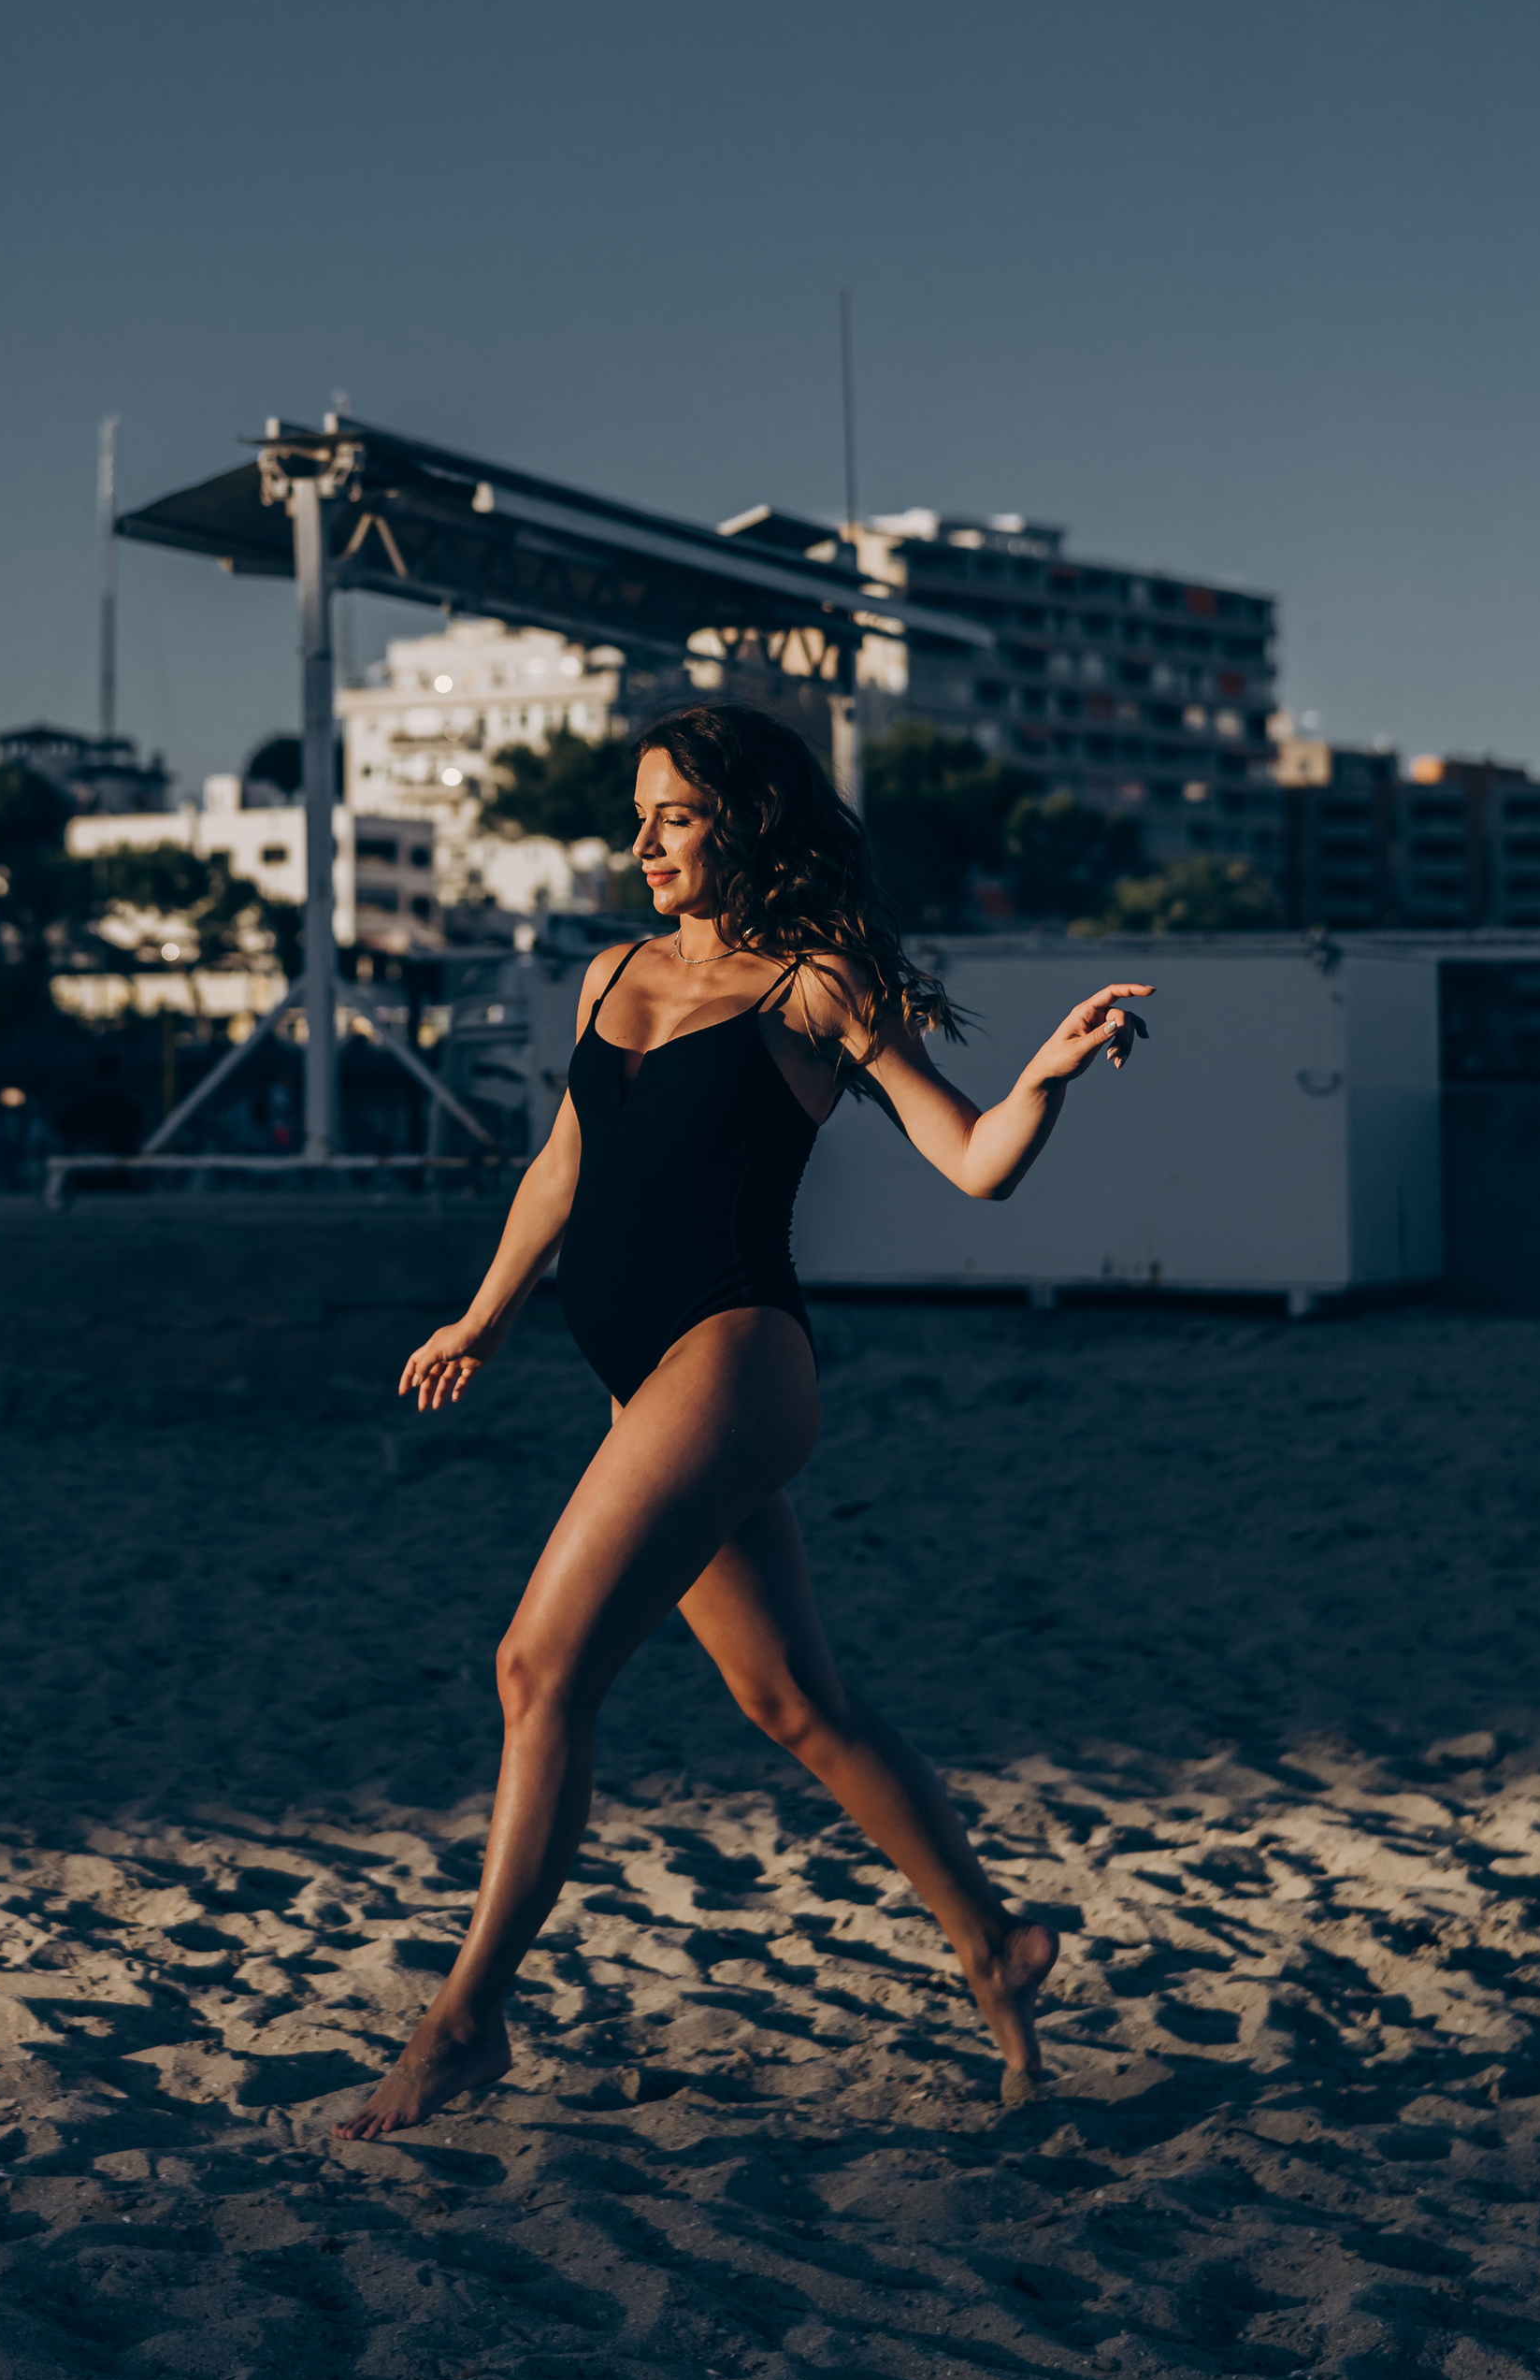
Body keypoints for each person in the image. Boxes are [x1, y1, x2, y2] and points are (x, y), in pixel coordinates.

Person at [335, 703, 1150, 2140]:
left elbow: (972, 1163)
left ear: (747, 821)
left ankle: (464, 2024)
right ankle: (996, 1948)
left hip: (734, 1355)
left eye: (677, 816)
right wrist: (483, 1314)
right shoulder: (609, 975)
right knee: (791, 1702)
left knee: (538, 1667)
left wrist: (1046, 1077)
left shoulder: (816, 986)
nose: (641, 841)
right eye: (639, 815)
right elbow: (561, 1168)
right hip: (637, 1378)